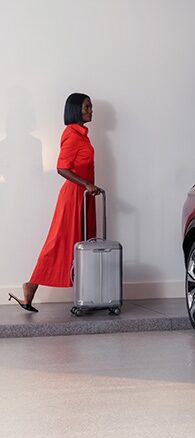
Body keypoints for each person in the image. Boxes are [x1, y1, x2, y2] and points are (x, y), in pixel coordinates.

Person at [8, 93, 103, 312]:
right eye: (87, 107)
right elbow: (62, 168)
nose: (91, 111)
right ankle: (30, 286)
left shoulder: (83, 135)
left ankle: (83, 295)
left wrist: (89, 187)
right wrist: (87, 184)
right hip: (73, 197)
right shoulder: (71, 134)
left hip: (85, 197)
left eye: (91, 107)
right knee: (59, 242)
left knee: (84, 243)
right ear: (75, 109)